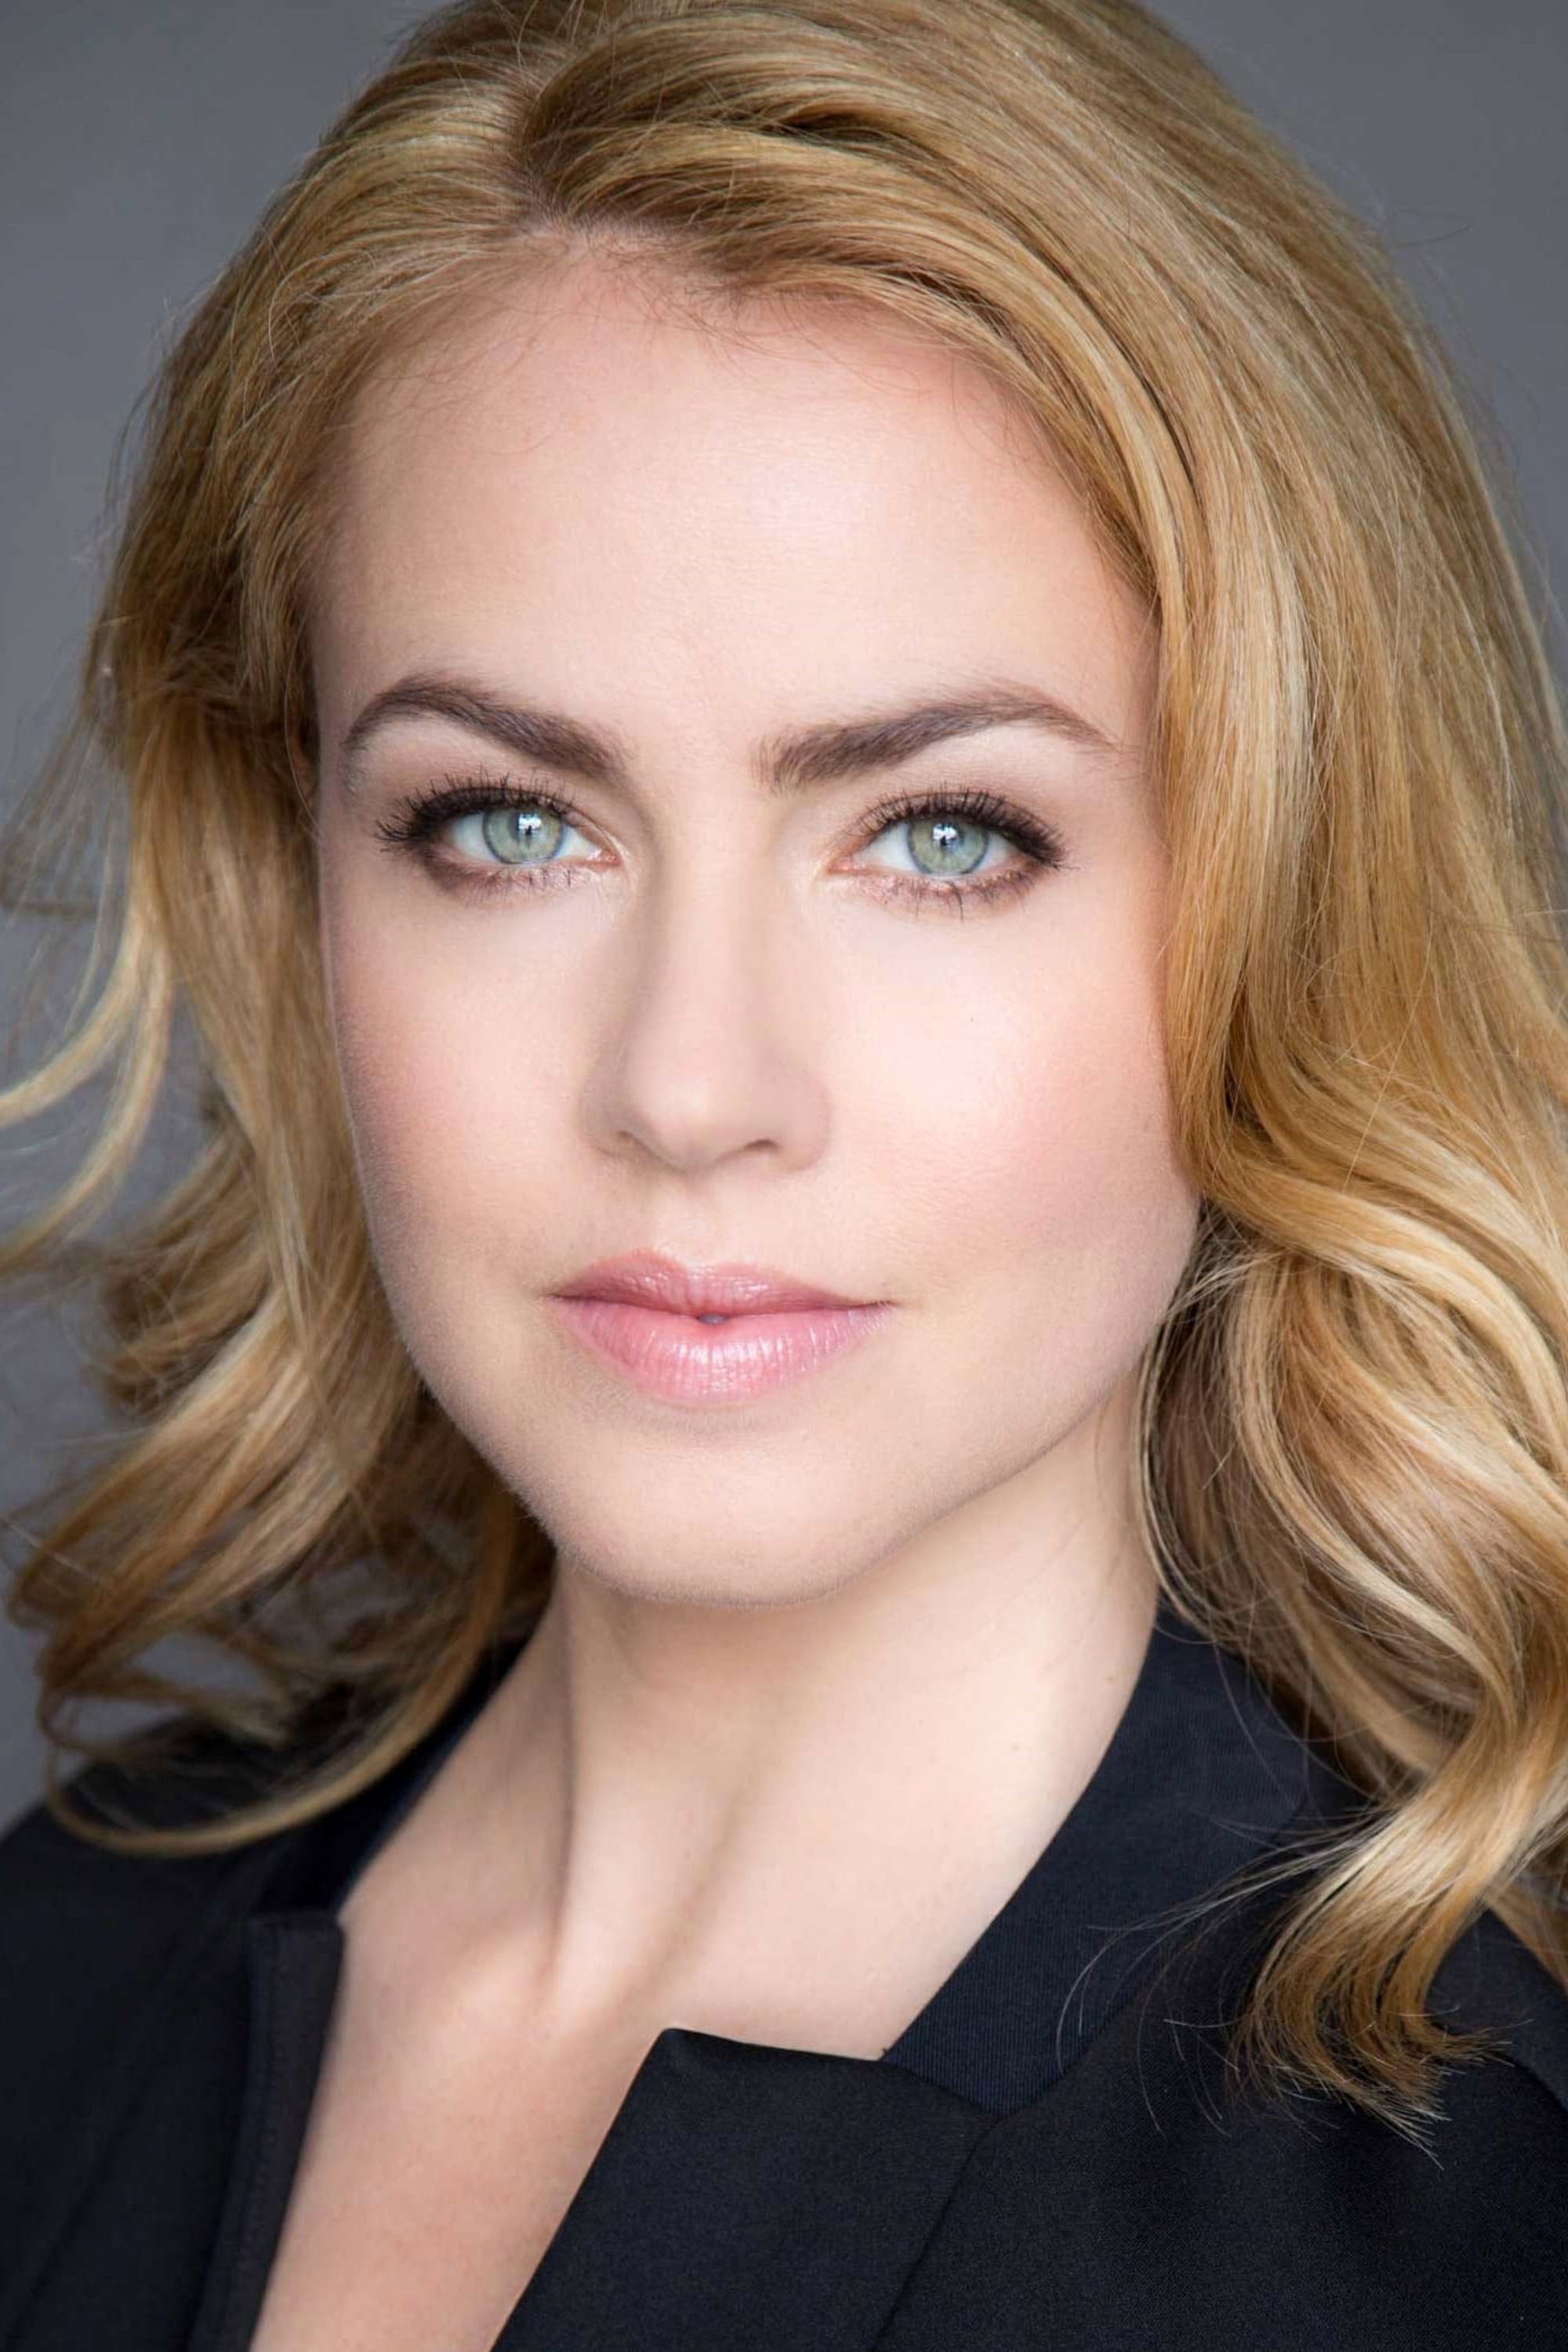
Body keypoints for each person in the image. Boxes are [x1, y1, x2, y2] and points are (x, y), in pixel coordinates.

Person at [3, 0, 1568, 2343]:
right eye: (505, 824)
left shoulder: (1456, 2251)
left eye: (941, 835)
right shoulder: (53, 1977)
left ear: (1284, 900)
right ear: (297, 860)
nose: (690, 1086)